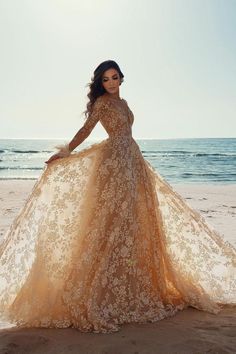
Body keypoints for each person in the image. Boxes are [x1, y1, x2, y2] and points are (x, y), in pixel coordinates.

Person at [0, 60, 235, 334]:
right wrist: (66, 151)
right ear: (100, 83)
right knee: (110, 221)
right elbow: (87, 129)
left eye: (114, 78)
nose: (111, 83)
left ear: (121, 78)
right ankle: (101, 287)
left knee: (135, 222)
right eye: (105, 80)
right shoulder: (102, 103)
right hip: (113, 163)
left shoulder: (124, 103)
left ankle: (132, 281)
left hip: (133, 161)